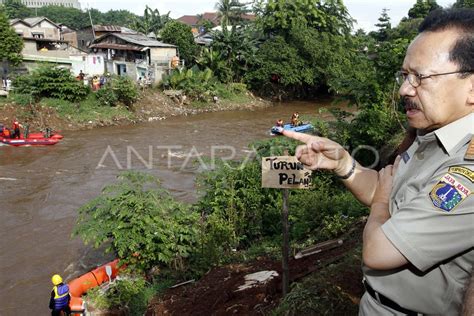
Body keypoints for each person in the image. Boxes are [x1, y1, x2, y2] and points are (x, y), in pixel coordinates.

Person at [280, 8, 473, 315]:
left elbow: (378, 251)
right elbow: (383, 188)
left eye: (420, 77)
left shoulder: (466, 171)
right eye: (405, 75)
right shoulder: (431, 138)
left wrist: (381, 203)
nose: (404, 89)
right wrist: (343, 163)